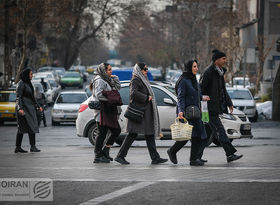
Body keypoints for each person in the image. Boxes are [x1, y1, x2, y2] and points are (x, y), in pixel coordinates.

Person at [115, 63, 168, 165]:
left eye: (147, 69)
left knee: (149, 134)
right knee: (132, 134)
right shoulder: (136, 80)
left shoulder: (143, 80)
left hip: (144, 113)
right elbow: (133, 93)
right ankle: (120, 156)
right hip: (139, 113)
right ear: (139, 70)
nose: (146, 71)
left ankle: (155, 157)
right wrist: (146, 97)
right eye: (144, 69)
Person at [200, 49, 243, 162]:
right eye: (223, 59)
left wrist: (229, 103)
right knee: (220, 130)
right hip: (208, 108)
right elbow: (200, 89)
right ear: (216, 60)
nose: (225, 60)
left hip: (216, 107)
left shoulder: (220, 72)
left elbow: (223, 90)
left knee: (207, 133)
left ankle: (195, 157)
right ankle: (230, 154)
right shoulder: (208, 72)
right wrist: (202, 97)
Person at [167, 60, 210, 166]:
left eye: (197, 66)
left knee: (197, 136)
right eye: (194, 66)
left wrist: (203, 97)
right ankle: (172, 151)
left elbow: (196, 94)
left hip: (195, 112)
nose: (196, 68)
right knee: (185, 136)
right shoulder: (184, 80)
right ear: (189, 67)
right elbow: (181, 97)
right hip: (186, 112)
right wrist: (181, 111)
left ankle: (194, 159)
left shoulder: (193, 80)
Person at [92, 63, 122, 163]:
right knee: (102, 134)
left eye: (111, 69)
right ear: (103, 71)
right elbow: (99, 95)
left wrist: (116, 78)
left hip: (108, 111)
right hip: (102, 112)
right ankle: (98, 155)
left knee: (115, 131)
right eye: (109, 70)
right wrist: (112, 98)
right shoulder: (100, 80)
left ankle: (105, 151)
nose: (111, 71)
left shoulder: (107, 79)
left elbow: (118, 88)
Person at [15, 68, 43, 153]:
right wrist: (20, 108)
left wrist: (38, 106)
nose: (32, 75)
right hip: (23, 109)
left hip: (30, 109)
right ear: (26, 75)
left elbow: (32, 98)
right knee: (21, 128)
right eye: (31, 74)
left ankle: (32, 146)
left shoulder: (28, 83)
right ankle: (18, 147)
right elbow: (18, 97)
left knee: (32, 126)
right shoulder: (21, 84)